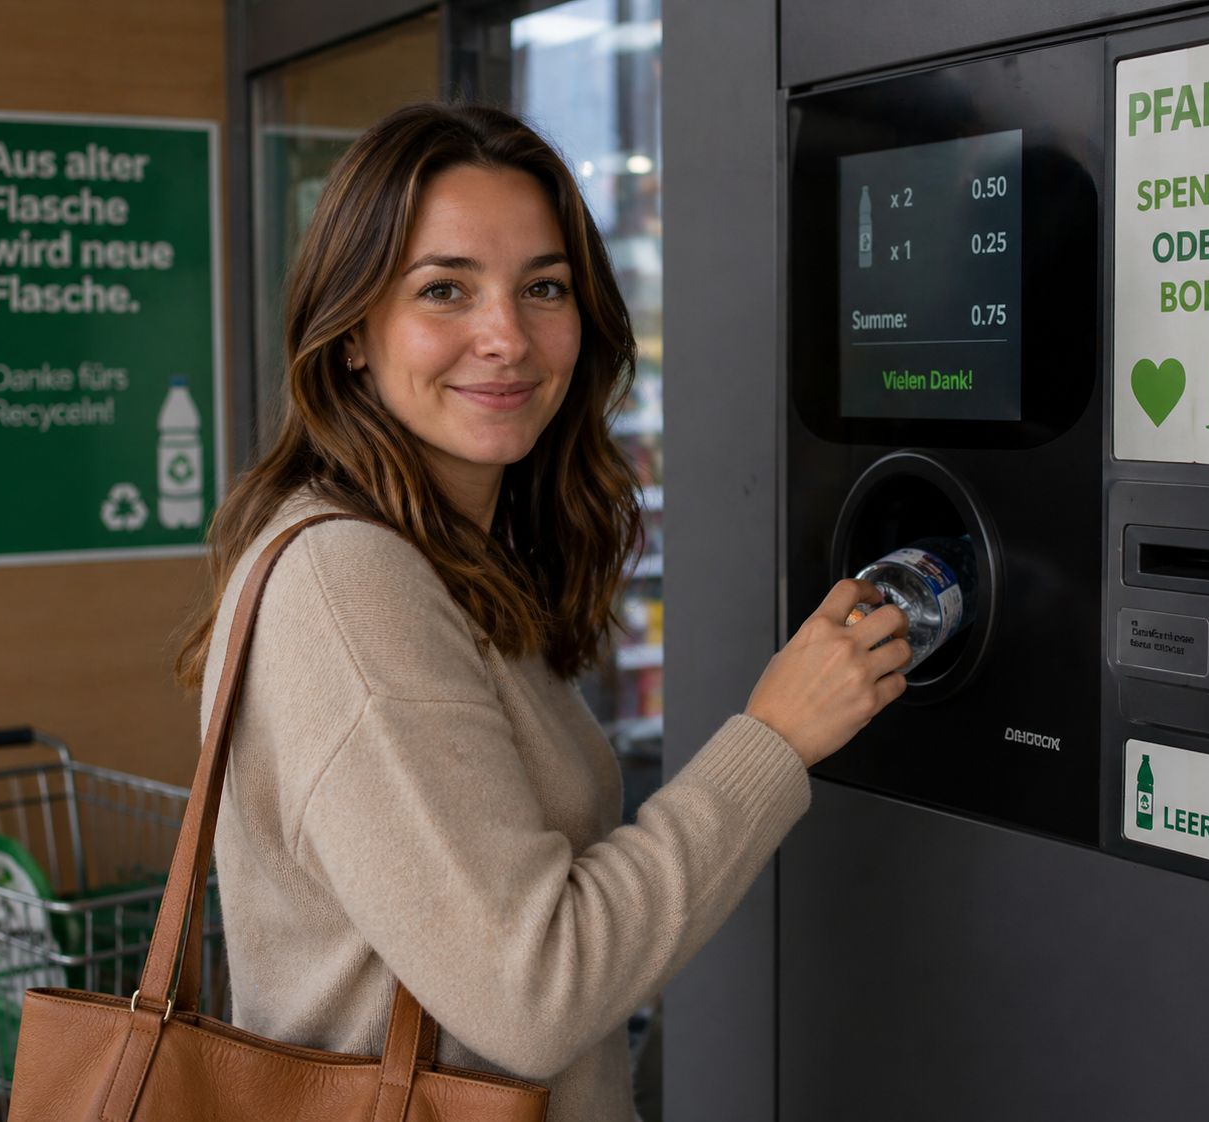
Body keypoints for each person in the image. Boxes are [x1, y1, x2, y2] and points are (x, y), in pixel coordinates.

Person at [177, 102, 910, 1122]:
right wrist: (773, 739)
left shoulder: (450, 557)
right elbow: (534, 993)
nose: (507, 338)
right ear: (351, 335)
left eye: (543, 288)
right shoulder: (352, 584)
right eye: (445, 290)